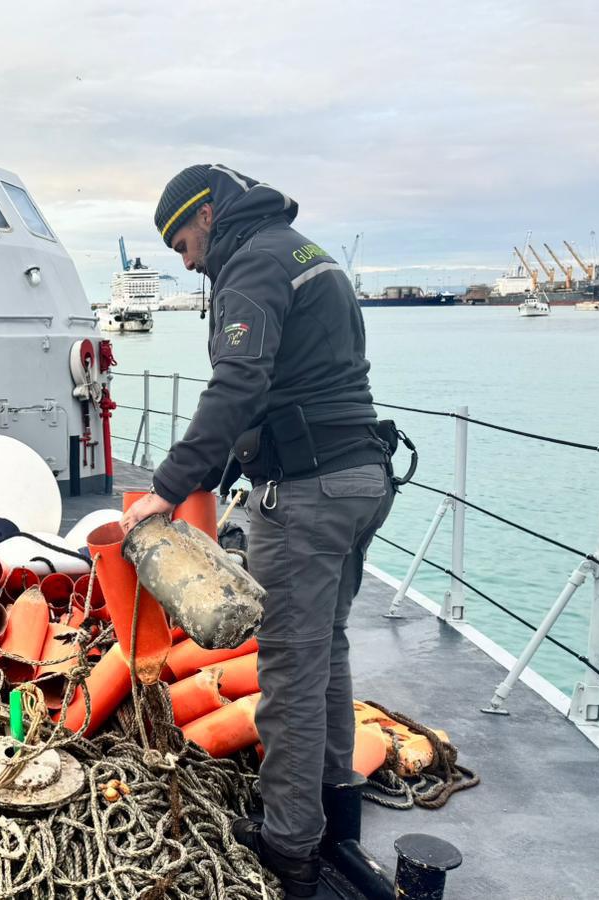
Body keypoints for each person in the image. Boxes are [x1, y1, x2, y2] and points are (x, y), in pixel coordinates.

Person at [121, 165, 396, 898]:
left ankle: (289, 846)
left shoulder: (250, 264)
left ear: (207, 216)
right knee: (325, 648)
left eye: (182, 242)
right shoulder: (306, 251)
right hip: (366, 477)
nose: (184, 261)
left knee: (288, 668)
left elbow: (239, 382)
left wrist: (168, 489)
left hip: (308, 492)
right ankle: (337, 809)